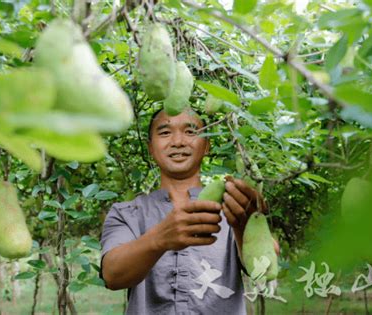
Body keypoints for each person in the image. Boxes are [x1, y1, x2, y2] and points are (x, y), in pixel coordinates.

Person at [100, 108, 271, 314]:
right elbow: (112, 275)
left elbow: (266, 269)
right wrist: (159, 238)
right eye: (165, 132)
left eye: (190, 132)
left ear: (207, 145)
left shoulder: (233, 206)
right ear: (151, 149)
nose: (178, 141)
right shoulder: (126, 213)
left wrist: (246, 227)